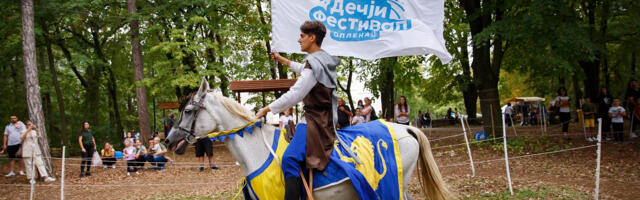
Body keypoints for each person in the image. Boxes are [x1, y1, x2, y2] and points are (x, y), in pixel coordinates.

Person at [255, 21, 342, 200]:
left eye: (302, 36)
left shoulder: (314, 65)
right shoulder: (322, 59)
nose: (298, 39)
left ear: (312, 38)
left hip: (314, 121)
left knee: (289, 159)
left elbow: (295, 94)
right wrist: (281, 59)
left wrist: (266, 109)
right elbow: (302, 68)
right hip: (324, 118)